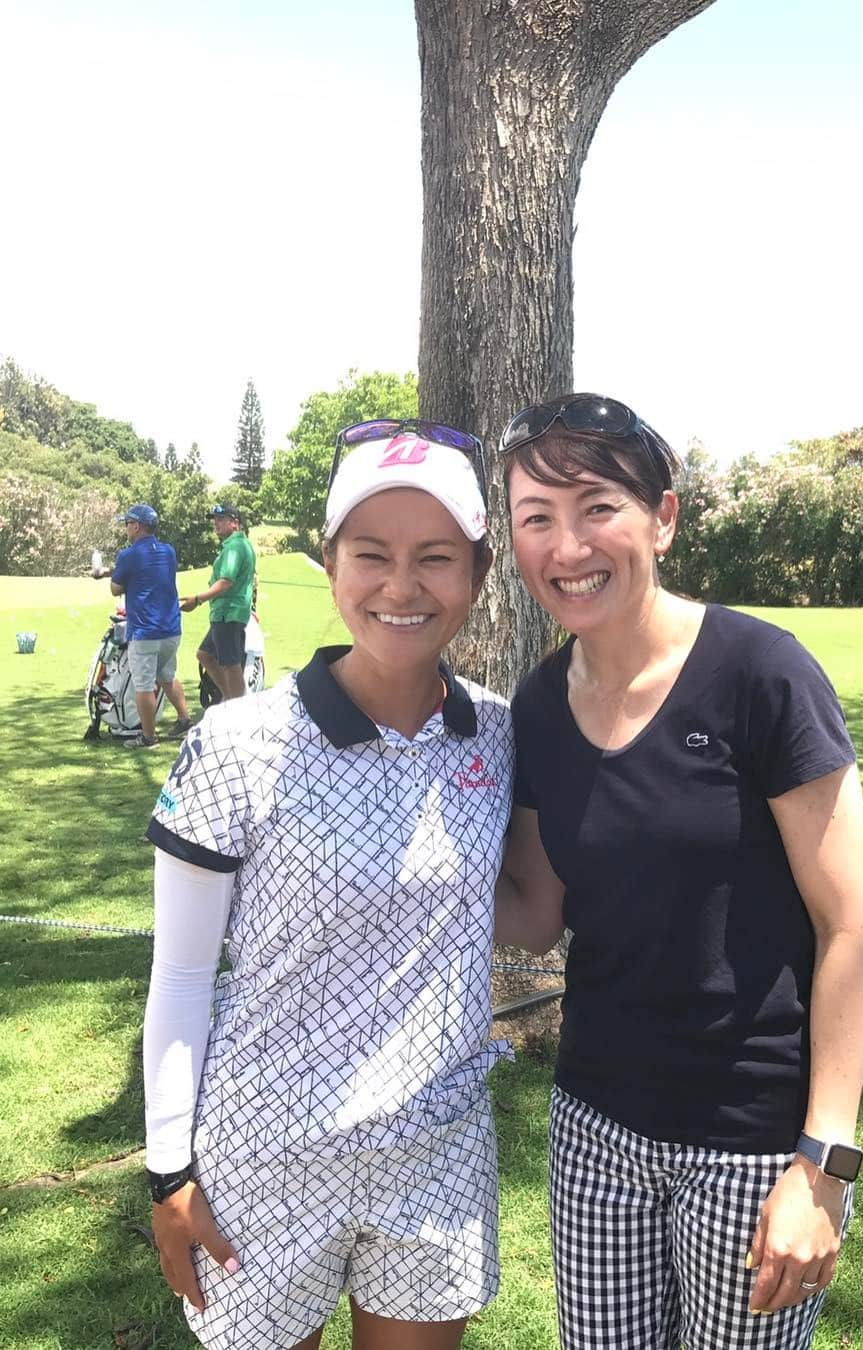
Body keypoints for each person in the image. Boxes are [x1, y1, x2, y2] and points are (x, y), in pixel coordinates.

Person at [494, 394, 863, 1350]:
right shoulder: (539, 704)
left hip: (751, 1146)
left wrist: (822, 1166)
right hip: (595, 1129)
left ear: (663, 519)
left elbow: (849, 930)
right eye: (537, 517)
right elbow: (537, 914)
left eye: (596, 507)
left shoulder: (761, 673)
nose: (568, 544)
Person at [143, 420, 513, 1350]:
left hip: (436, 1154)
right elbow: (183, 977)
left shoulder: (502, 736)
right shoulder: (237, 741)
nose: (401, 586)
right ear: (330, 561)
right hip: (262, 1157)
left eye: (435, 558)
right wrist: (167, 1173)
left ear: (477, 570)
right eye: (371, 554)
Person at [93, 502, 192, 748]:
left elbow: (116, 588)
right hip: (171, 629)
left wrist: (108, 576)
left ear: (137, 526)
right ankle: (185, 720)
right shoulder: (168, 551)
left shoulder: (128, 554)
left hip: (145, 631)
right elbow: (148, 571)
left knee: (144, 685)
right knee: (167, 677)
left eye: (127, 524)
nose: (126, 529)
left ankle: (148, 738)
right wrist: (111, 572)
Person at [180, 504, 257, 700]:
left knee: (231, 665)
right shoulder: (240, 545)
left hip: (228, 613)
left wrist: (197, 599)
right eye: (215, 519)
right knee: (204, 655)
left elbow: (226, 582)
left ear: (235, 523)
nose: (216, 523)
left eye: (222, 519)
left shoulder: (234, 547)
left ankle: (238, 708)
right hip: (227, 613)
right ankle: (229, 700)